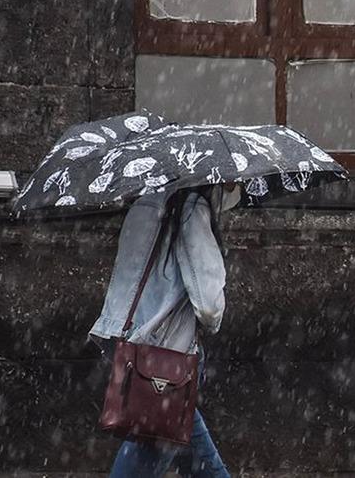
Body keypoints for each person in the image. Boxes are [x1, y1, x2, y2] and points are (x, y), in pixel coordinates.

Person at [89, 183, 241, 478]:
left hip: (131, 348)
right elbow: (209, 305)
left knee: (184, 453)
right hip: (166, 357)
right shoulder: (191, 209)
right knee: (152, 454)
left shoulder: (144, 203)